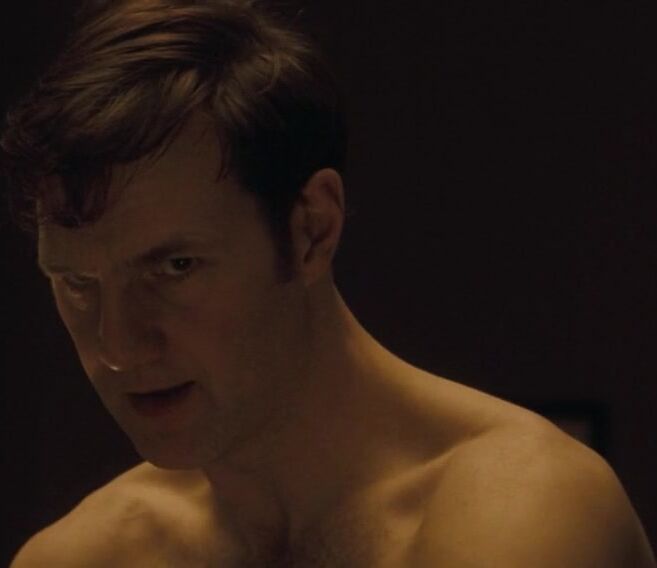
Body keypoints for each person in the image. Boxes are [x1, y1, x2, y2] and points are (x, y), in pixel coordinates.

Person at [2, 1, 655, 566]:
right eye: (77, 283)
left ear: (311, 229)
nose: (118, 346)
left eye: (175, 268)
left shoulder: (523, 508)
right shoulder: (83, 555)